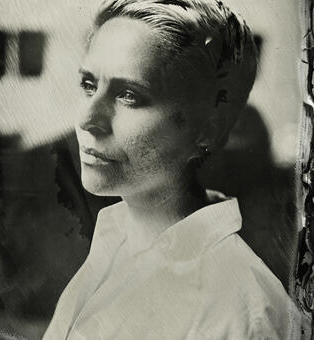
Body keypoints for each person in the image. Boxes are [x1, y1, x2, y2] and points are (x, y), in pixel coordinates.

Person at [43, 0, 302, 339]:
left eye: (129, 95)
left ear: (208, 128)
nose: (87, 120)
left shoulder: (239, 317)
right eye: (89, 85)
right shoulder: (117, 239)